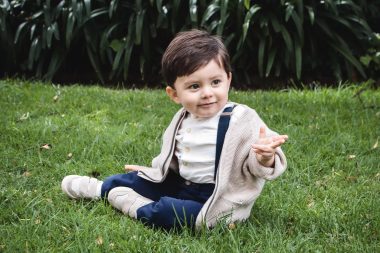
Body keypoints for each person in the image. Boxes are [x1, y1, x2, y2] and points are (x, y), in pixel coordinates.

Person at [61, 29, 288, 230]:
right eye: (194, 86)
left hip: (217, 197)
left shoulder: (242, 118)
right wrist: (152, 173)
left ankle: (137, 207)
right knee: (129, 180)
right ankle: (102, 189)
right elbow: (175, 158)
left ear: (228, 80)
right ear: (175, 94)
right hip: (180, 184)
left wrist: (264, 157)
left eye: (215, 82)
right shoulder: (182, 117)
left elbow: (258, 168)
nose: (207, 92)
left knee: (169, 212)